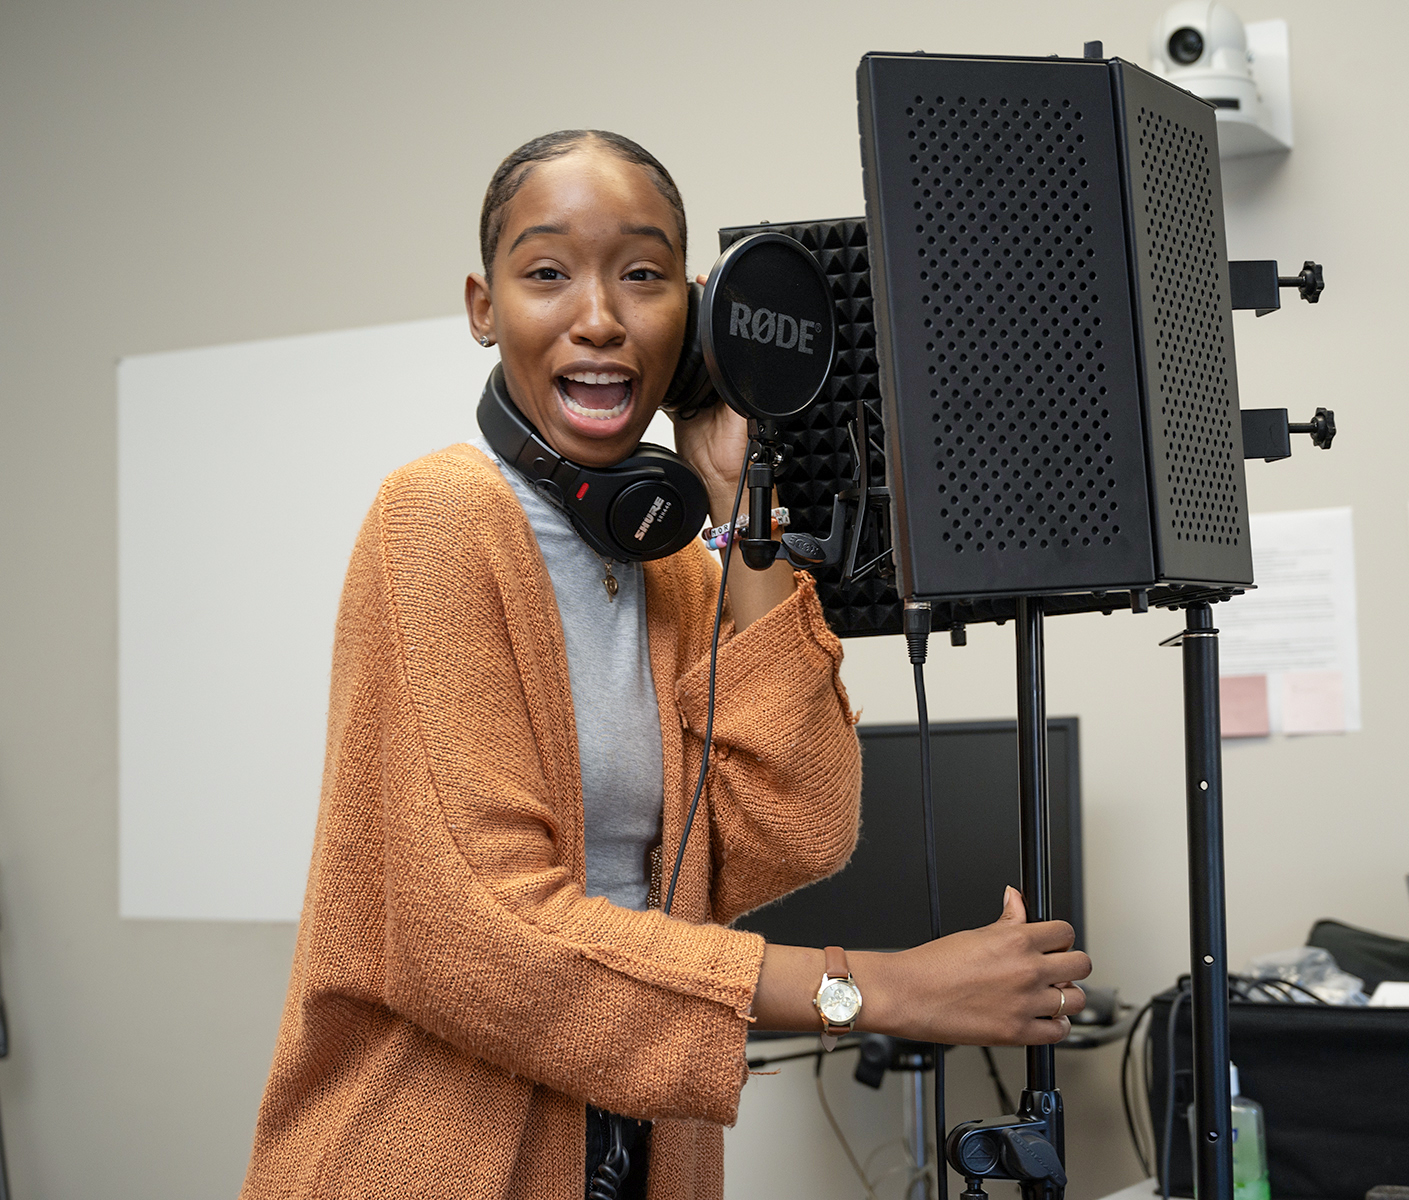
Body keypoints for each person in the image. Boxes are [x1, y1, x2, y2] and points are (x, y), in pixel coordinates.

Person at [240, 130, 1091, 1200]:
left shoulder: (683, 571)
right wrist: (876, 991)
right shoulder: (440, 520)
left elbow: (795, 824)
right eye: (545, 272)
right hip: (428, 1160)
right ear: (482, 306)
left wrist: (742, 507)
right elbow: (485, 941)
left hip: (636, 1150)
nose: (597, 316)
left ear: (692, 316)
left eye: (642, 276)